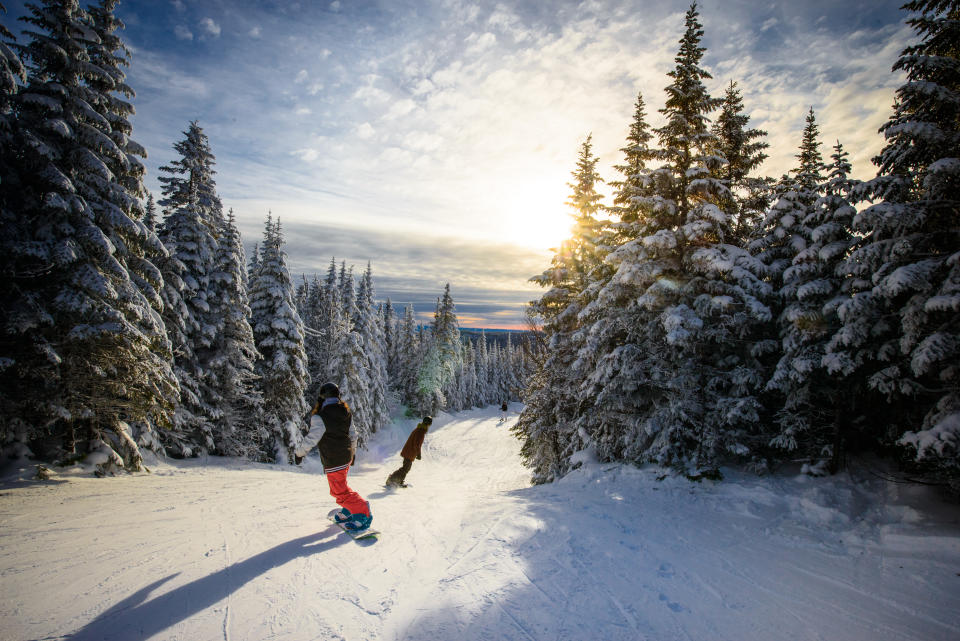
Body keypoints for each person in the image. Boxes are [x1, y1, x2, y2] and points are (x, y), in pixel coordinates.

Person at [294, 382, 372, 531]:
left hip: (334, 459)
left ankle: (363, 511)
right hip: (345, 456)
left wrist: (300, 453)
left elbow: (312, 438)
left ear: (322, 398)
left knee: (338, 491)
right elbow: (353, 435)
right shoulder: (345, 412)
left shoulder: (320, 417)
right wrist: (353, 453)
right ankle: (349, 509)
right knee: (341, 486)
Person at [385, 417, 431, 488]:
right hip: (410, 452)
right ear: (428, 424)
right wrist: (418, 454)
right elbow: (417, 444)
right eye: (429, 424)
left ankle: (398, 480)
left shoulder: (419, 429)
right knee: (405, 468)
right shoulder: (421, 431)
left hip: (409, 451)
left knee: (406, 468)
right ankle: (391, 479)